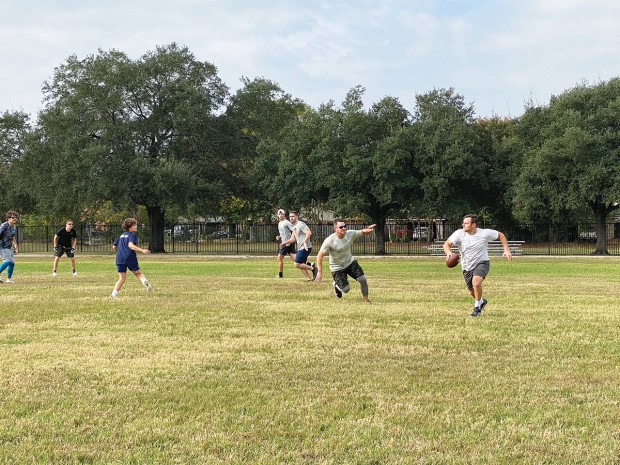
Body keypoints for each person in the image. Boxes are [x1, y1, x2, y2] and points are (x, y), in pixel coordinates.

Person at [443, 214, 512, 317]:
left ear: (473, 225)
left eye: (466, 223)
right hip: (466, 266)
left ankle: (476, 309)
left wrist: (507, 250)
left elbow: (500, 235)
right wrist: (449, 253)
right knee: (472, 292)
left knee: (476, 284)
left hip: (482, 262)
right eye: (463, 223)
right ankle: (481, 301)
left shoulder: (484, 233)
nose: (463, 225)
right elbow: (446, 244)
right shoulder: (459, 234)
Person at [315, 219, 376, 302]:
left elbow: (363, 232)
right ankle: (336, 285)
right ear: (335, 228)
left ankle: (366, 300)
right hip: (337, 268)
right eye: (341, 227)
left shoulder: (350, 234)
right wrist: (319, 272)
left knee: (362, 279)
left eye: (345, 226)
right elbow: (319, 255)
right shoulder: (329, 240)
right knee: (346, 289)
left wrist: (369, 229)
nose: (344, 228)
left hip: (350, 262)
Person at [110, 218, 152, 298]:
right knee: (138, 273)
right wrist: (142, 250)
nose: (136, 226)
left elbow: (114, 246)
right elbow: (130, 245)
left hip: (120, 258)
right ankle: (144, 281)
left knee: (121, 278)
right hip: (129, 257)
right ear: (130, 226)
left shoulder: (121, 236)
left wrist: (118, 253)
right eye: (134, 225)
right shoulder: (132, 235)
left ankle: (113, 295)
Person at [280, 211, 317, 281]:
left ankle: (313, 268)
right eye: (290, 217)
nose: (291, 218)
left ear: (297, 217)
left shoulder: (301, 224)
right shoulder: (294, 227)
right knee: (301, 264)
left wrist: (305, 241)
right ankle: (309, 278)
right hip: (300, 248)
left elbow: (309, 233)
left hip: (305, 248)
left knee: (296, 264)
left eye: (293, 216)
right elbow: (293, 239)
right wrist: (284, 242)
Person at [275, 209, 296, 278]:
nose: (281, 215)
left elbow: (294, 230)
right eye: (279, 214)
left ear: (284, 215)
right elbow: (283, 233)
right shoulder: (279, 223)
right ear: (278, 215)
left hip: (286, 244)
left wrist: (289, 241)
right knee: (297, 260)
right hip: (286, 243)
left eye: (282, 214)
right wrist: (279, 237)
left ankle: (280, 275)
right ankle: (311, 266)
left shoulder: (287, 222)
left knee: (279, 258)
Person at [0, 211, 19, 283]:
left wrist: (15, 245)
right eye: (13, 217)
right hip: (1, 246)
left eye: (15, 217)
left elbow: (13, 236)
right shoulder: (4, 226)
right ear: (8, 218)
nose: (15, 219)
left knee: (11, 262)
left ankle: (8, 279)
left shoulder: (14, 226)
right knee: (9, 261)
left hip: (8, 247)